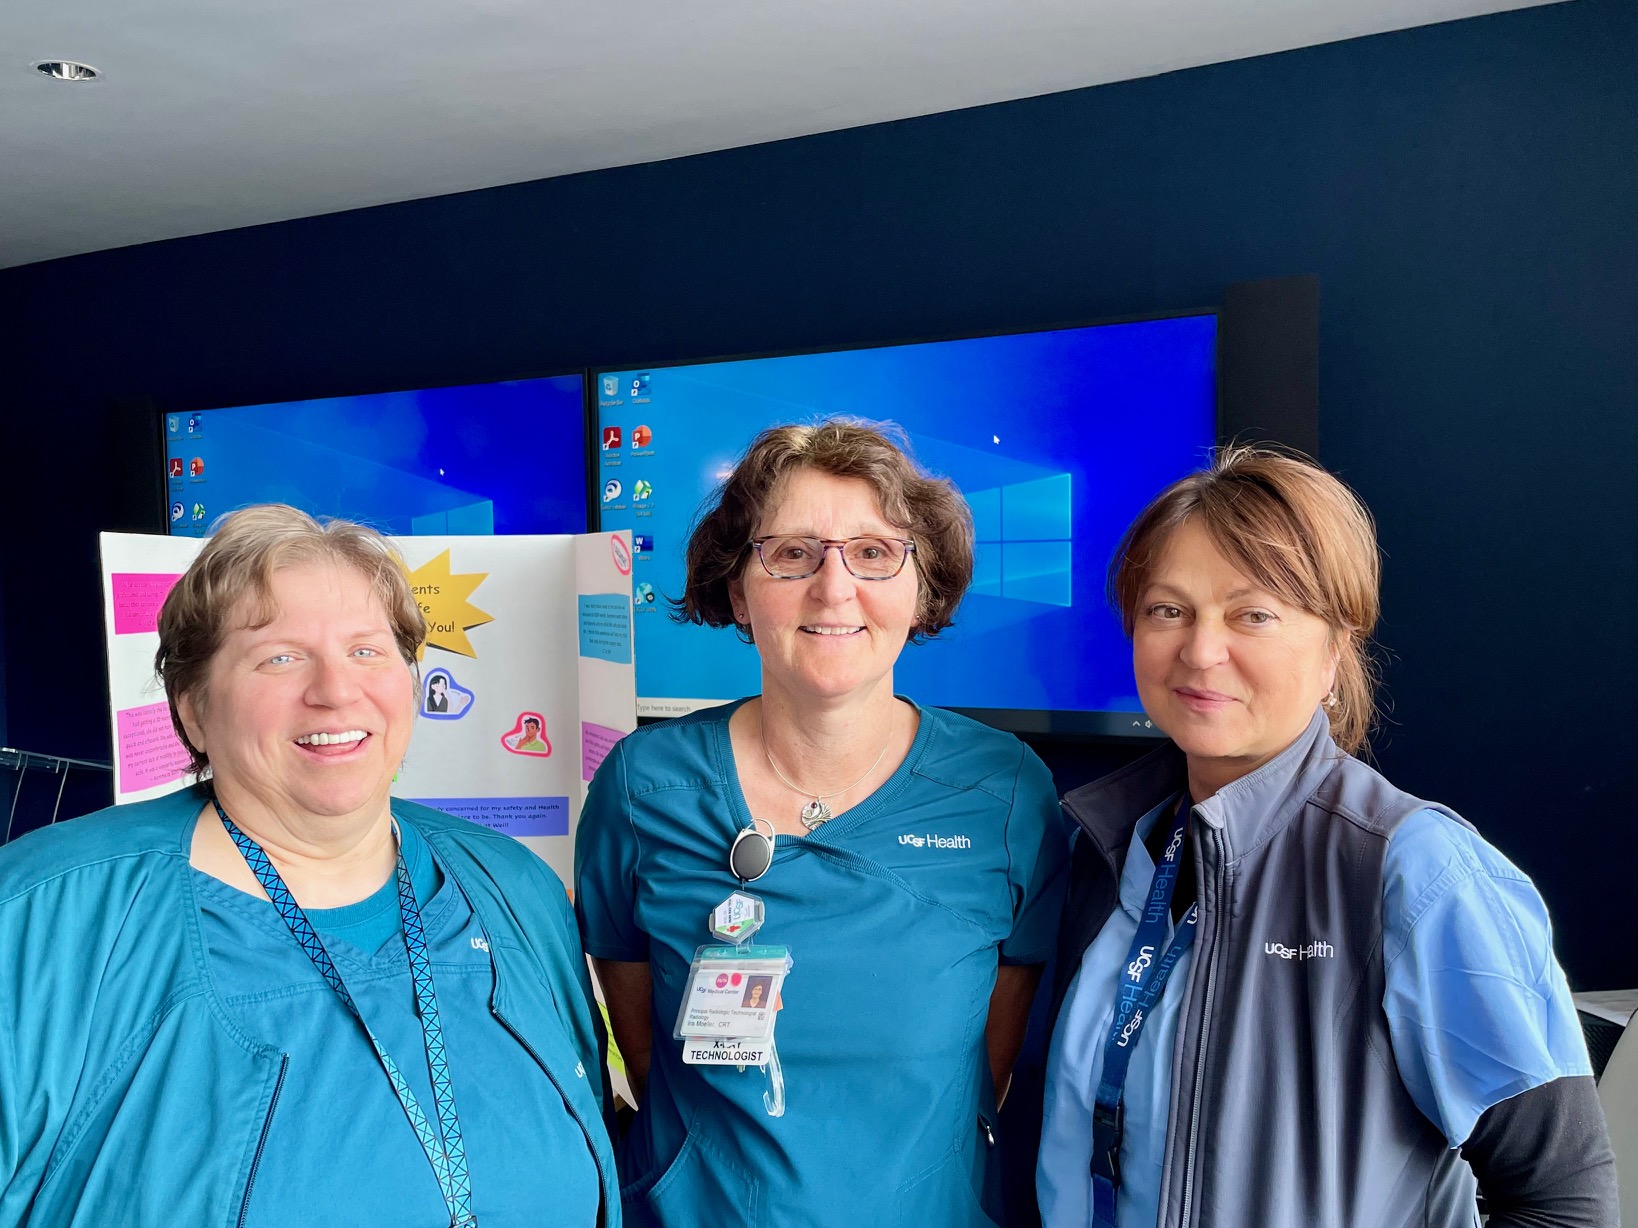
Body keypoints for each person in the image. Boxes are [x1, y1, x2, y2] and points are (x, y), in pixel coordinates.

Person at [1035, 447, 1617, 1227]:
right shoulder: (1107, 846)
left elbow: (1563, 1201)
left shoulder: (1414, 872)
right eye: (1168, 610)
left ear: (1335, 651)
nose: (1201, 651)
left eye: (1254, 614)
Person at [0, 505, 618, 1226]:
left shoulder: (516, 888)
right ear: (193, 708)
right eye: (280, 657)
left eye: (367, 650)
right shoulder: (41, 917)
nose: (335, 690)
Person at [575, 421, 1067, 1227]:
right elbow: (645, 1042)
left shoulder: (1005, 793)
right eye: (792, 553)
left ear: (922, 586)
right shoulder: (643, 785)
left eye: (874, 553)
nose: (834, 588)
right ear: (738, 589)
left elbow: (989, 1072)